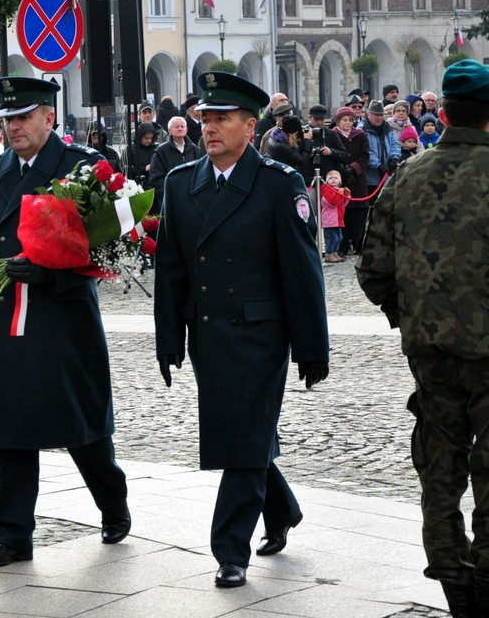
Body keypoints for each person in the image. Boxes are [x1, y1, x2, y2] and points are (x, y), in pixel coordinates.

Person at [154, 71, 329, 589]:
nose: (209, 128)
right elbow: (171, 271)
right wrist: (169, 340)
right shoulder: (181, 183)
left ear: (250, 127)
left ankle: (230, 550)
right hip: (208, 334)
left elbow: (303, 272)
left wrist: (312, 347)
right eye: (205, 118)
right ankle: (281, 510)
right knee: (244, 433)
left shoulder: (279, 183)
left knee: (244, 437)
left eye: (222, 119)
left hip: (260, 334)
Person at [0, 76, 131, 567]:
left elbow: (102, 252)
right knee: (8, 427)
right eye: (6, 119)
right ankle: (13, 533)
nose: (13, 127)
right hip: (5, 318)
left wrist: (51, 272)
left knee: (79, 424)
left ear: (48, 117)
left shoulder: (80, 167)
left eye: (23, 117)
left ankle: (111, 499)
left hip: (62, 318)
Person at [356, 59, 489, 618]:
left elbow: (372, 272)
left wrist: (412, 315)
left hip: (431, 356)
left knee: (440, 471)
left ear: (446, 111)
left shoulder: (407, 175)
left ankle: (457, 589)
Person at [330, 105, 370, 256]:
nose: (347, 123)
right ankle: (342, 245)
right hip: (339, 178)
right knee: (342, 213)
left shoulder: (360, 135)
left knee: (359, 213)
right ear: (338, 121)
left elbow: (365, 156)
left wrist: (354, 168)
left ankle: (359, 244)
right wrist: (342, 171)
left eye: (350, 120)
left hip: (357, 178)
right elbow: (332, 154)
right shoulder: (333, 135)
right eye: (344, 120)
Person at [147, 115, 200, 206]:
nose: (180, 129)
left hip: (192, 200)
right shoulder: (161, 151)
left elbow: (201, 173)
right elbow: (156, 179)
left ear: (186, 130)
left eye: (182, 126)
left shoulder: (195, 150)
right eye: (176, 127)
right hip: (170, 201)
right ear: (169, 131)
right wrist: (168, 196)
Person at [303, 104, 350, 186]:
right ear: (309, 118)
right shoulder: (302, 133)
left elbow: (345, 155)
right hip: (308, 179)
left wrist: (331, 152)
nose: (319, 122)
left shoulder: (331, 134)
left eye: (322, 119)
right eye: (316, 119)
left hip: (329, 181)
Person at [362, 99, 401, 194]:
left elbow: (395, 144)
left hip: (387, 177)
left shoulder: (388, 129)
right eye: (376, 115)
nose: (379, 118)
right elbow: (365, 151)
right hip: (370, 179)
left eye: (381, 115)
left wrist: (394, 158)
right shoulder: (362, 131)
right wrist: (378, 165)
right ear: (368, 115)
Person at [319, 170, 350, 263]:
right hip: (329, 219)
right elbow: (333, 203)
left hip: (337, 219)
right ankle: (329, 253)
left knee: (339, 237)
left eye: (335, 178)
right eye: (330, 178)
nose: (333, 179)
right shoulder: (326, 190)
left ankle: (334, 252)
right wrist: (340, 194)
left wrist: (346, 195)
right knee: (333, 238)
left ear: (339, 181)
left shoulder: (338, 190)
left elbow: (344, 203)